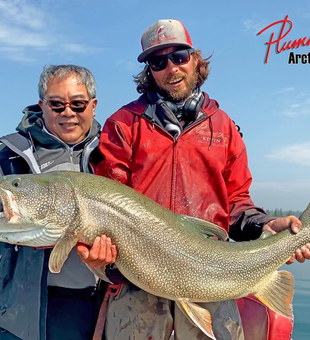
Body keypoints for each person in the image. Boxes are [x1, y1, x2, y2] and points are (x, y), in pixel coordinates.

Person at [77, 20, 310, 340]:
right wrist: (98, 251)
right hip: (139, 282)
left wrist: (264, 227)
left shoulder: (224, 127)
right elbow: (106, 201)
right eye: (158, 62)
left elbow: (237, 201)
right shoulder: (122, 124)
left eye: (179, 57)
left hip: (212, 275)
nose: (171, 68)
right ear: (149, 71)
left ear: (196, 59)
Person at [0, 65, 115, 340]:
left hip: (96, 307)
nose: (68, 113)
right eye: (56, 104)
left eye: (78, 104)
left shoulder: (113, 154)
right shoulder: (8, 153)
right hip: (20, 311)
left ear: (94, 105)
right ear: (42, 105)